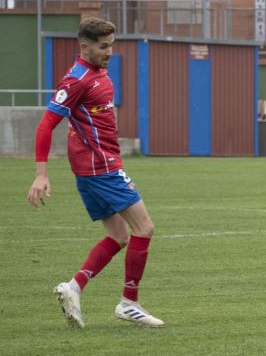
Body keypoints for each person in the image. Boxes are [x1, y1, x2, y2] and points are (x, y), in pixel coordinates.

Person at [27, 17, 164, 328]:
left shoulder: (99, 72)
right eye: (103, 47)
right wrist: (41, 173)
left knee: (118, 235)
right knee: (144, 228)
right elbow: (46, 125)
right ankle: (129, 303)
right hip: (101, 168)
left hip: (96, 166)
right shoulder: (76, 80)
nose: (109, 51)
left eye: (111, 45)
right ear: (84, 46)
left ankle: (73, 288)